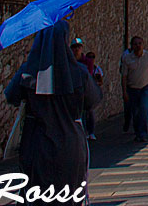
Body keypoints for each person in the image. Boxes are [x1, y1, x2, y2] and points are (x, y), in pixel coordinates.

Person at [5, 19, 98, 190]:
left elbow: (11, 96)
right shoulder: (79, 72)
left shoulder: (29, 71)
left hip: (37, 143)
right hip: (71, 143)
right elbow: (93, 100)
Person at [118, 35, 148, 143]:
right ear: (132, 46)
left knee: (144, 109)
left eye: (139, 43)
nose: (138, 46)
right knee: (135, 112)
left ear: (143, 44)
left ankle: (143, 133)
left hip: (146, 87)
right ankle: (138, 132)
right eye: (135, 44)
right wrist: (124, 92)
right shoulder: (127, 59)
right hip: (132, 88)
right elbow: (124, 77)